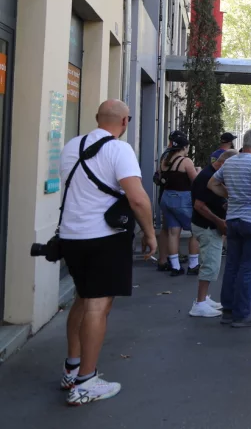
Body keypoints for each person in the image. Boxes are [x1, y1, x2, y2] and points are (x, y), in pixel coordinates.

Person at [58, 100, 158, 406]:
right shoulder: (119, 150)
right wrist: (150, 234)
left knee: (83, 297)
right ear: (125, 121)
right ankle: (86, 382)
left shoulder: (72, 146)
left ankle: (72, 369)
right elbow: (137, 198)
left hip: (70, 235)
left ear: (96, 117)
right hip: (104, 238)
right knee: (97, 307)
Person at [208, 129, 251, 327]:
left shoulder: (230, 161)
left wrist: (231, 195)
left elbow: (212, 184)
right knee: (248, 268)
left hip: (233, 218)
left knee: (232, 265)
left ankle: (227, 310)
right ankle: (242, 314)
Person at [189, 149, 236, 317]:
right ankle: (200, 303)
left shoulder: (211, 174)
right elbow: (199, 205)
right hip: (207, 226)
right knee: (210, 264)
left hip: (208, 225)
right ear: (225, 164)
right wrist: (218, 221)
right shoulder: (207, 177)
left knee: (210, 263)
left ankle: (203, 299)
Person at [158, 131, 200, 276]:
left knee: (173, 232)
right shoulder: (186, 161)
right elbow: (195, 181)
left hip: (166, 197)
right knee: (196, 230)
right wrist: (198, 171)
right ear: (184, 147)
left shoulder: (164, 160)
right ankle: (193, 264)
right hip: (182, 199)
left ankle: (175, 266)